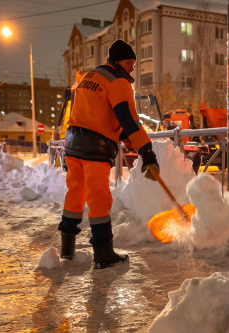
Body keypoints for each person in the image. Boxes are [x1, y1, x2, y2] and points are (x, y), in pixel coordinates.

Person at [58, 40, 159, 269]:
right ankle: (103, 253)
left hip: (73, 144)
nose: (132, 66)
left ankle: (67, 248)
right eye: (128, 61)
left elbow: (99, 112)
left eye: (134, 62)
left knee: (75, 193)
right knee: (99, 198)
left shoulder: (90, 76)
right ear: (116, 61)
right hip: (95, 148)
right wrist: (146, 149)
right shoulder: (119, 81)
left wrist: (124, 137)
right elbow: (128, 119)